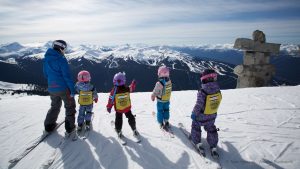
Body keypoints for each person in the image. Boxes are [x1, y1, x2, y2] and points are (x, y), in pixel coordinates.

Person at [43, 40, 77, 140]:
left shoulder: (46, 59)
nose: (64, 51)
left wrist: (52, 83)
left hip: (52, 88)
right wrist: (72, 90)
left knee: (54, 106)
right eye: (64, 49)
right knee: (70, 106)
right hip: (63, 88)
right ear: (61, 48)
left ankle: (49, 126)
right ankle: (70, 128)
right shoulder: (61, 59)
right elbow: (66, 76)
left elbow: (45, 74)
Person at [190, 69, 222, 158]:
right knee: (211, 128)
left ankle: (197, 141)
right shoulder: (218, 90)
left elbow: (199, 105)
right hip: (212, 115)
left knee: (195, 125)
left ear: (205, 79)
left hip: (201, 116)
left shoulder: (202, 91)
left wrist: (194, 113)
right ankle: (213, 146)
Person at [106, 72, 139, 139]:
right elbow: (131, 88)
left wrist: (109, 107)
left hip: (119, 109)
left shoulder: (114, 91)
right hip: (127, 108)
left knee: (118, 119)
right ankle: (134, 129)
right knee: (131, 117)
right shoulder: (127, 88)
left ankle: (118, 130)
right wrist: (133, 84)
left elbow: (111, 100)